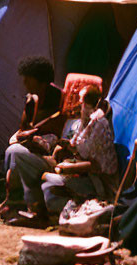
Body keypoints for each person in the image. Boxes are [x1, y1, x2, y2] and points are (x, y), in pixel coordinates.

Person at [0, 56, 64, 223]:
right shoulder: (31, 100)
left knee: (15, 152)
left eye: (29, 79)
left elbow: (56, 132)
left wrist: (33, 138)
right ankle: (15, 201)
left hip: (50, 154)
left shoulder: (59, 102)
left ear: (42, 82)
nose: (24, 82)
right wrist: (22, 137)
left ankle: (25, 203)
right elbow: (23, 129)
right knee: (13, 150)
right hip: (33, 148)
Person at [41, 85, 118, 216]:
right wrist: (62, 145)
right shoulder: (85, 123)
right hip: (86, 174)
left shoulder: (99, 124)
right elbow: (76, 145)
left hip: (99, 181)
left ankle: (82, 203)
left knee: (48, 184)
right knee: (46, 183)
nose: (79, 105)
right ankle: (73, 202)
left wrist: (67, 168)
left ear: (89, 104)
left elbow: (95, 166)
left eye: (81, 102)